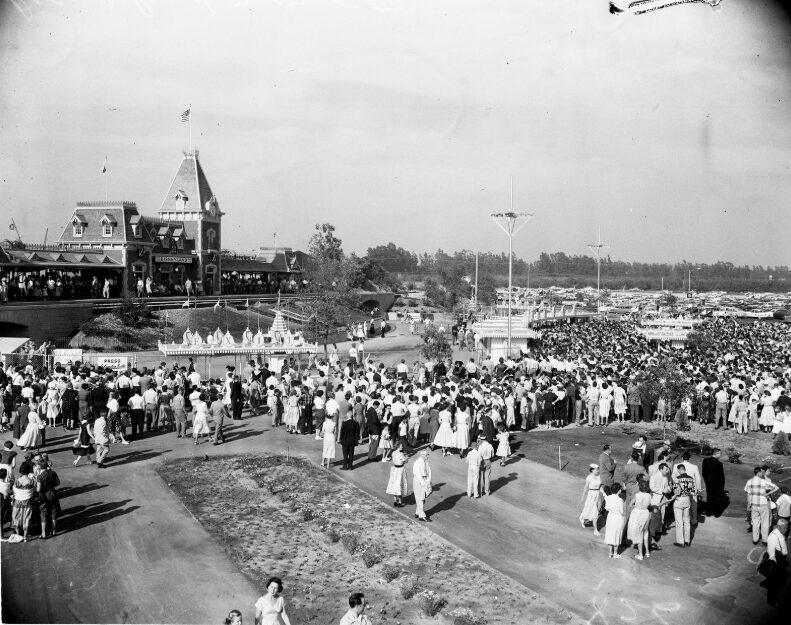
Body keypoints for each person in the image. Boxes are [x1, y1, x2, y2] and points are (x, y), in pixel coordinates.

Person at [745, 465, 779, 545]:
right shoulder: (764, 482)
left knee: (755, 522)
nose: (762, 473)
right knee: (765, 522)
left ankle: (755, 539)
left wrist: (749, 504)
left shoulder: (749, 482)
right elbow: (776, 488)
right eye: (761, 472)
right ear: (759, 473)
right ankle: (765, 540)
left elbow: (748, 494)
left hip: (754, 505)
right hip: (763, 504)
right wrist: (767, 494)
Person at [761, 518, 789, 606]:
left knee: (778, 579)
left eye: (787, 528)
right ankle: (771, 601)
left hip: (780, 558)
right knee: (774, 582)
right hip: (775, 560)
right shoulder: (773, 537)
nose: (786, 530)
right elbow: (771, 552)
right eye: (784, 528)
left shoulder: (780, 533)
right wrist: (774, 563)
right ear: (778, 527)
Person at [672, 463, 696, 547]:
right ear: (684, 469)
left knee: (679, 522)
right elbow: (693, 492)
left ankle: (680, 541)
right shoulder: (691, 479)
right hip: (687, 499)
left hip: (679, 500)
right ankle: (687, 540)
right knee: (687, 521)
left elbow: (676, 492)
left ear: (679, 470)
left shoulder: (677, 479)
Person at [627, 480, 652, 560]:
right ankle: (647, 552)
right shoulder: (649, 495)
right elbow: (649, 505)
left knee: (638, 534)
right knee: (645, 532)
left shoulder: (637, 495)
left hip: (637, 514)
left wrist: (635, 506)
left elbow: (630, 504)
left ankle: (640, 554)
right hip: (646, 513)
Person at [36, 455, 60, 538]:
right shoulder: (53, 472)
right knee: (54, 512)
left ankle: (43, 533)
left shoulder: (40, 476)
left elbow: (38, 489)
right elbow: (58, 483)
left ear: (39, 467)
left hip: (44, 495)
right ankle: (53, 531)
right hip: (53, 492)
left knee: (44, 513)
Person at [11, 461, 36, 541]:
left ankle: (18, 536)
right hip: (28, 502)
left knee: (16, 518)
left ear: (20, 471)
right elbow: (33, 492)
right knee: (27, 518)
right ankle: (25, 537)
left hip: (17, 502)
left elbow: (14, 491)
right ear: (28, 471)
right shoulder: (32, 481)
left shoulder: (16, 481)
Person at [702, 449, 727, 517]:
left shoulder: (706, 461)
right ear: (716, 454)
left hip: (709, 483)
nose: (720, 455)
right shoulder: (719, 464)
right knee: (717, 499)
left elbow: (704, 473)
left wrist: (706, 481)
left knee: (709, 497)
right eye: (720, 453)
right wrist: (722, 485)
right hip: (717, 484)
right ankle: (716, 513)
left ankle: (709, 512)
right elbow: (721, 476)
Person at [604, 482, 625, 558]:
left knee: (610, 533)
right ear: (619, 491)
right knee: (617, 534)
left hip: (610, 516)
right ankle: (615, 553)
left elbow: (606, 508)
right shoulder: (620, 500)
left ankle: (610, 553)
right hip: (618, 517)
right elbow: (621, 511)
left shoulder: (608, 498)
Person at [580, 463, 602, 536]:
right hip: (591, 495)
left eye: (598, 469)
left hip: (597, 495)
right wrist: (582, 497)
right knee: (588, 509)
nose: (598, 471)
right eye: (596, 469)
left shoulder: (599, 477)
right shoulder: (589, 477)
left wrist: (603, 494)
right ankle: (582, 518)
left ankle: (595, 530)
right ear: (592, 470)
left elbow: (600, 487)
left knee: (595, 512)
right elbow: (586, 487)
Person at [386, 441, 408, 507]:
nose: (402, 447)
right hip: (400, 470)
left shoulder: (393, 453)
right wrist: (406, 458)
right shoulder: (401, 454)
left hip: (394, 469)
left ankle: (395, 500)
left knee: (394, 484)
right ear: (398, 446)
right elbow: (405, 461)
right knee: (400, 484)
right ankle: (400, 502)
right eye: (401, 446)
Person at [412, 448, 432, 522]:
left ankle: (417, 512)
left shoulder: (426, 462)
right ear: (422, 455)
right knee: (420, 498)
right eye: (427, 455)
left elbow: (429, 471)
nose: (428, 456)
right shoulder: (417, 462)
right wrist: (423, 483)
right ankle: (422, 516)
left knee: (422, 497)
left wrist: (428, 480)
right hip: (418, 480)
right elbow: (417, 474)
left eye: (428, 454)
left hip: (424, 480)